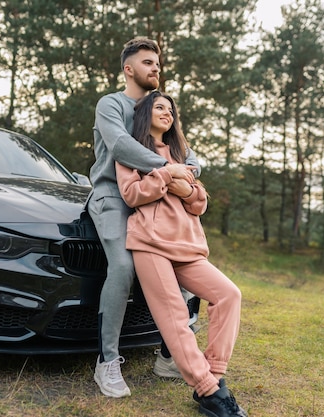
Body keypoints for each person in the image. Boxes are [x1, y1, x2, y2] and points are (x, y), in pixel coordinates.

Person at [116, 91, 247, 417]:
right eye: (159, 107)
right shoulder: (132, 152)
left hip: (188, 245)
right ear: (146, 114)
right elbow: (131, 194)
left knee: (229, 295)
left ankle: (213, 378)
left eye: (171, 110)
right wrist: (166, 174)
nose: (167, 113)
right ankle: (208, 390)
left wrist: (183, 185)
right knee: (174, 316)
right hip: (150, 243)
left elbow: (199, 202)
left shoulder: (182, 154)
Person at [87, 37, 200, 398]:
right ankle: (106, 361)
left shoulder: (158, 110)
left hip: (157, 204)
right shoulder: (111, 104)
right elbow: (120, 146)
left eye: (158, 63)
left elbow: (193, 158)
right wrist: (171, 168)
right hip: (113, 197)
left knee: (183, 268)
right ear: (129, 68)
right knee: (122, 267)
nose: (156, 69)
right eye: (148, 62)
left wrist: (187, 173)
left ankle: (168, 357)